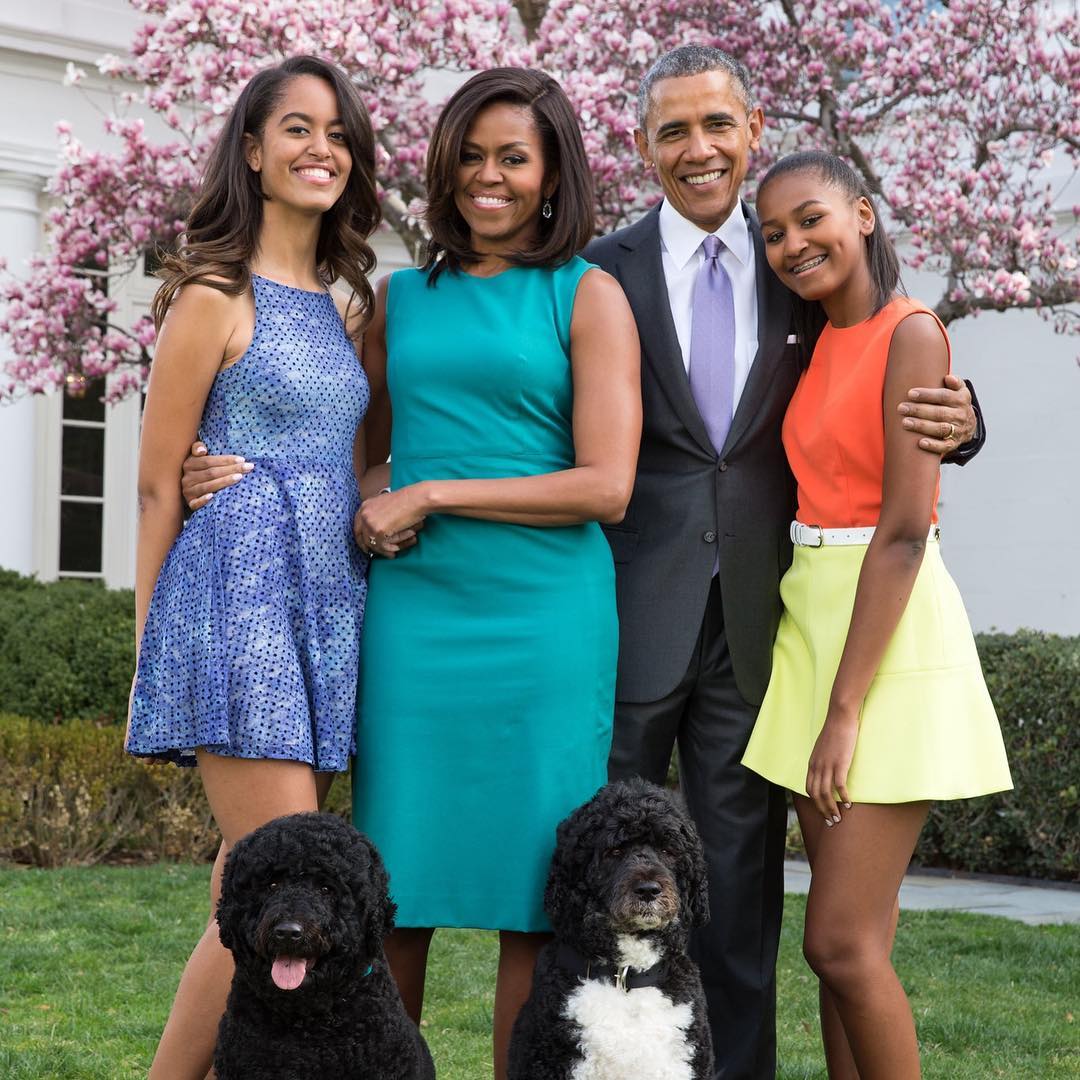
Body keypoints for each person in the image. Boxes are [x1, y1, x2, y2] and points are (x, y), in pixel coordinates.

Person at [582, 46, 984, 1080]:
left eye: (716, 124)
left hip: (770, 633)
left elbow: (894, 367)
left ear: (752, 130)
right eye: (672, 130)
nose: (698, 148)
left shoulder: (799, 269)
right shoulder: (601, 272)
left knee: (741, 900)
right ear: (643, 148)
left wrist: (966, 424)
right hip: (632, 614)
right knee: (596, 883)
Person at [351, 68, 640, 1080]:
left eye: (513, 156)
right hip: (416, 623)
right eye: (470, 155)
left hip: (543, 621)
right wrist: (370, 495)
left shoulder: (590, 293)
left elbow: (607, 485)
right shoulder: (400, 300)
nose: (489, 176)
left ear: (553, 169)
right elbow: (366, 452)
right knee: (391, 889)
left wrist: (432, 497)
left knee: (535, 902)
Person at [125, 56, 381, 1079]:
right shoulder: (212, 293)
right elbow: (154, 486)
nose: (323, 148)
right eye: (298, 129)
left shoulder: (350, 307)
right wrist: (150, 644)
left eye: (339, 133)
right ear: (253, 149)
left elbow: (355, 463)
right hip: (233, 601)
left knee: (250, 878)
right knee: (279, 870)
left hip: (326, 604)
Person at [741, 150, 1011, 1078]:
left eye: (810, 219)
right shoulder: (811, 338)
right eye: (773, 233)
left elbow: (901, 533)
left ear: (862, 214)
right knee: (847, 952)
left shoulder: (913, 334)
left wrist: (845, 711)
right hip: (811, 620)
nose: (791, 244)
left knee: (841, 945)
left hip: (882, 634)